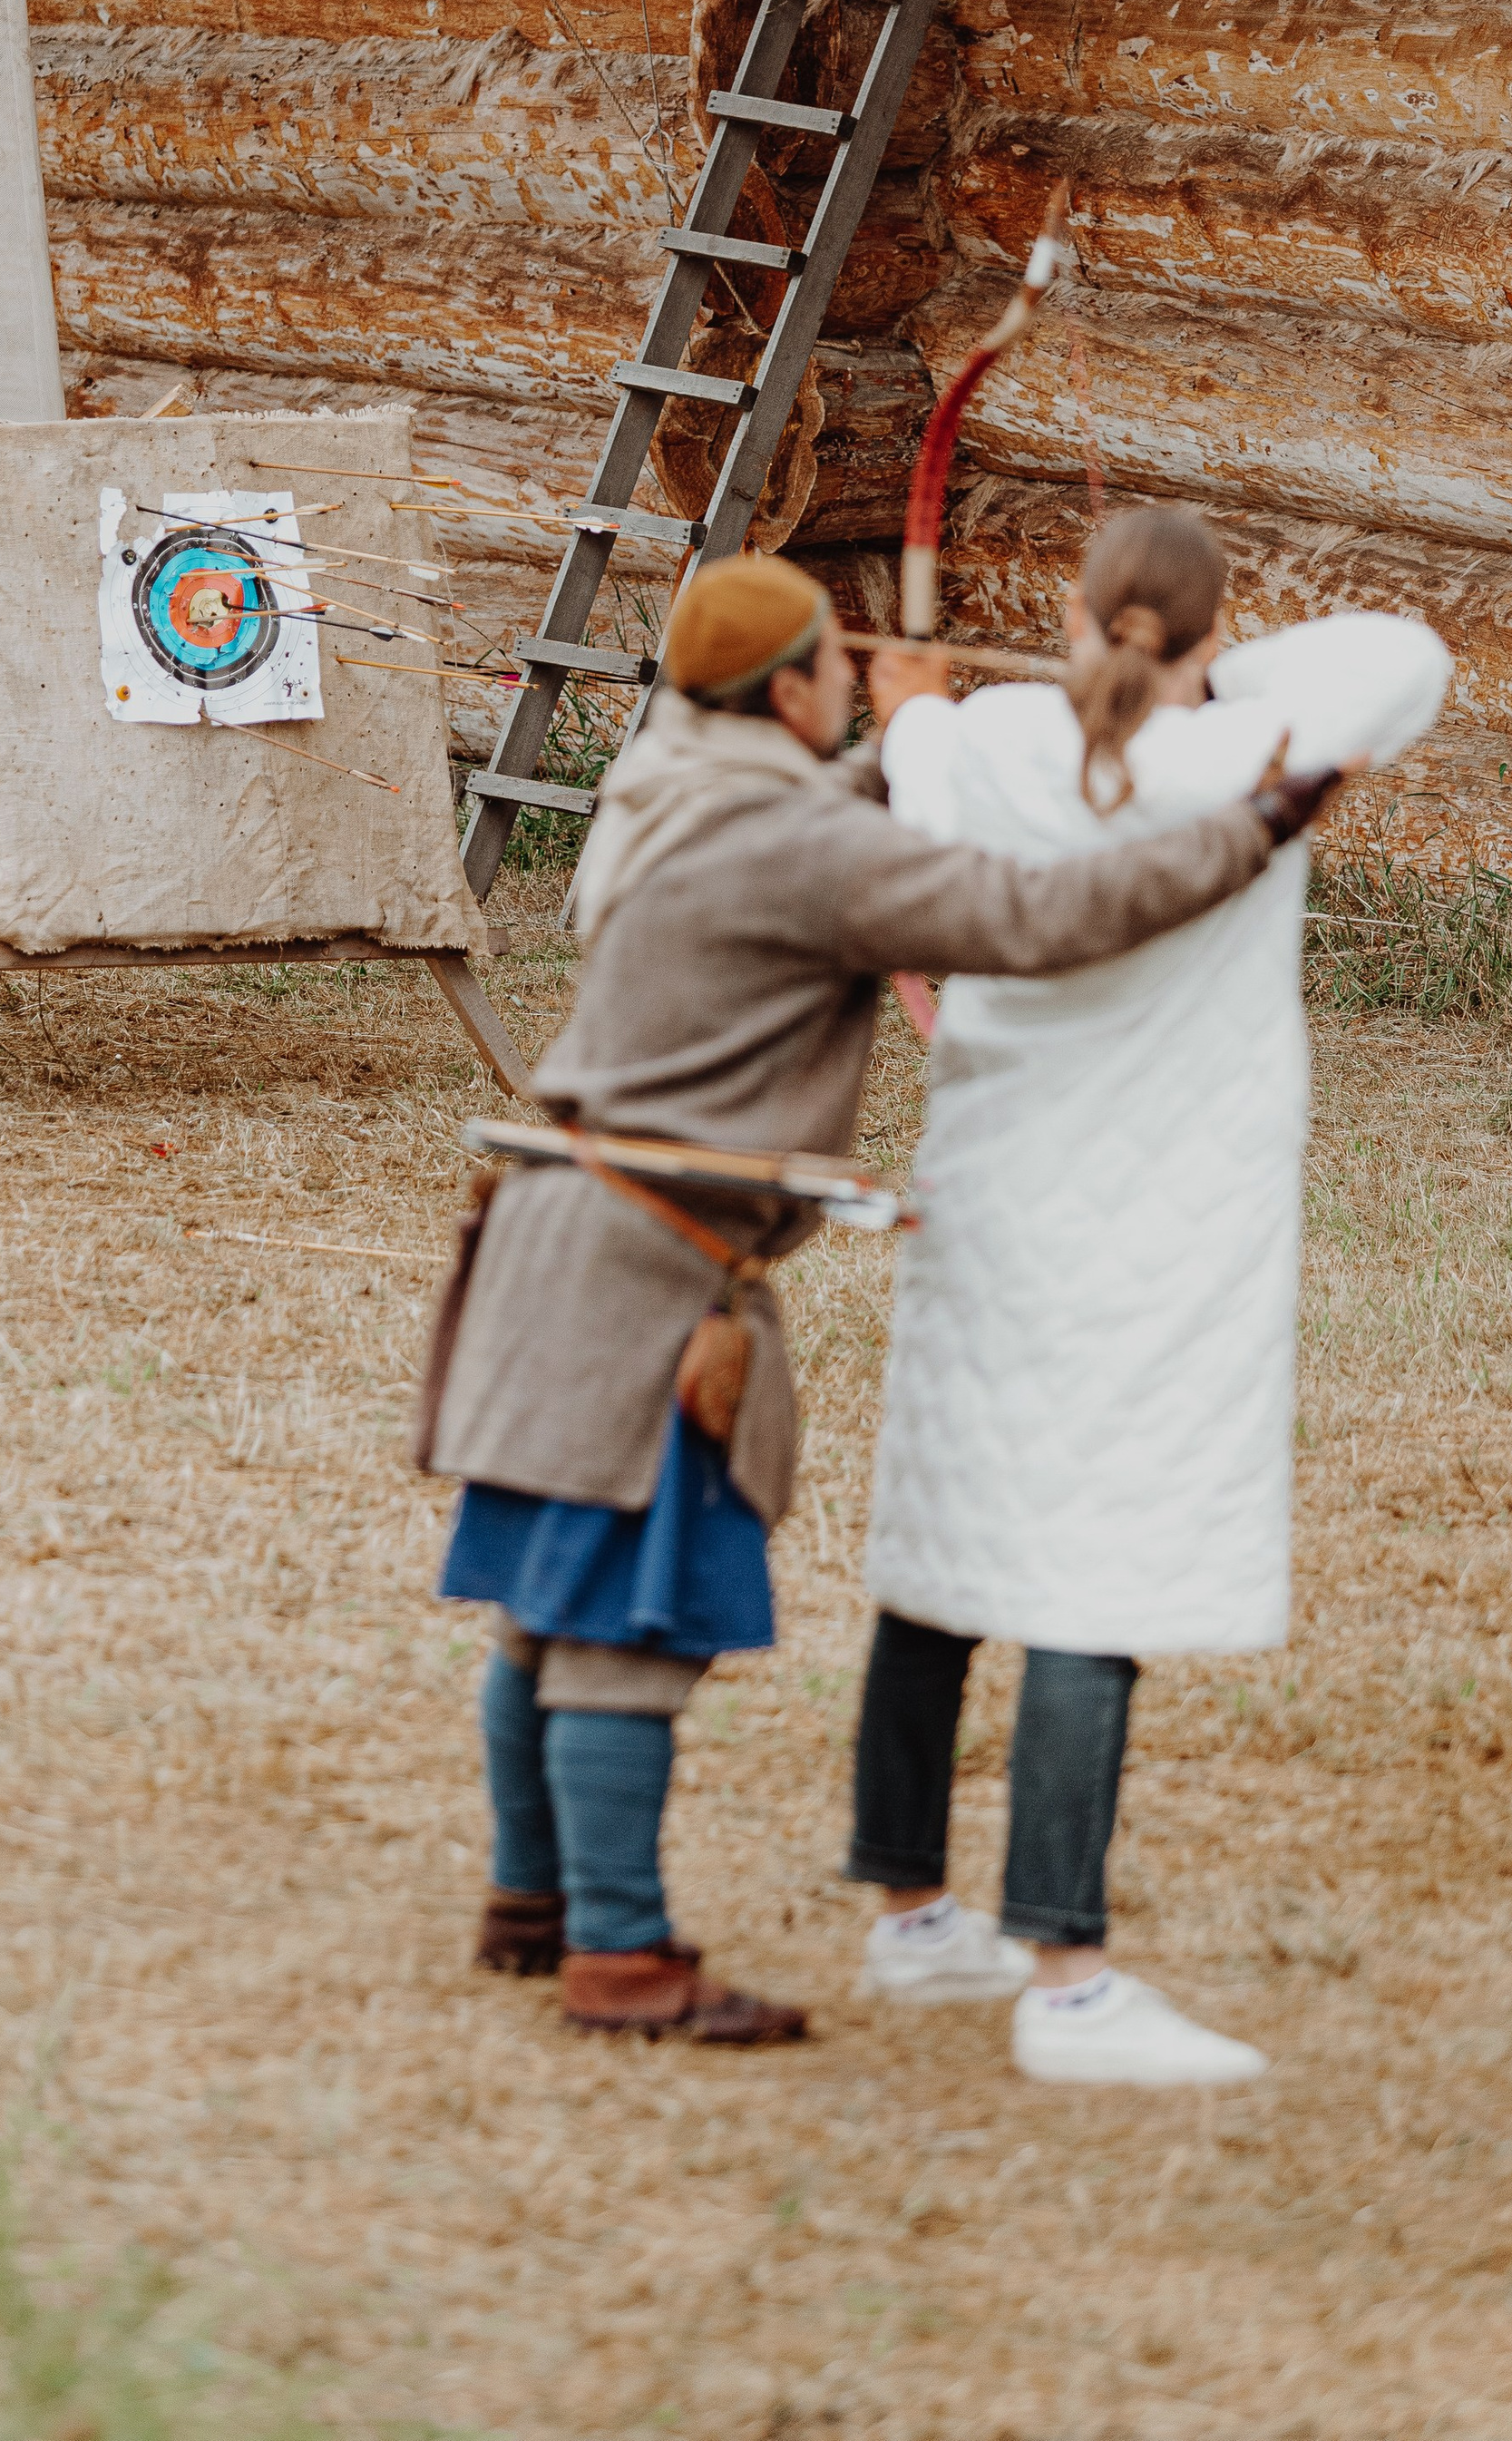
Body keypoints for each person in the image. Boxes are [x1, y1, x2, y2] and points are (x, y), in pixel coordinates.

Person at [424, 549, 1351, 2048]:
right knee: (615, 1629)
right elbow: (1034, 915)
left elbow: (837, 826)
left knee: (543, 1606)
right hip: (640, 1273)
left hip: (558, 1238)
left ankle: (530, 1905)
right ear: (788, 689)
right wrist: (1254, 825)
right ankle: (619, 1958)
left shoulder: (680, 785)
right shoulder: (798, 845)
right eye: (834, 664)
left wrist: (919, 743)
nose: (854, 679)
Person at [852, 505, 1450, 2088]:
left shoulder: (987, 740)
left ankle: (912, 1914)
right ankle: (1067, 1984)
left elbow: (923, 759)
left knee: (953, 1523)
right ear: (1208, 633)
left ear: (1076, 614)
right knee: (1100, 1559)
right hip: (1167, 1214)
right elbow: (1406, 655)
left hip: (996, 1183)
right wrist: (1196, 676)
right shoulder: (1250, 756)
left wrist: (927, 704)